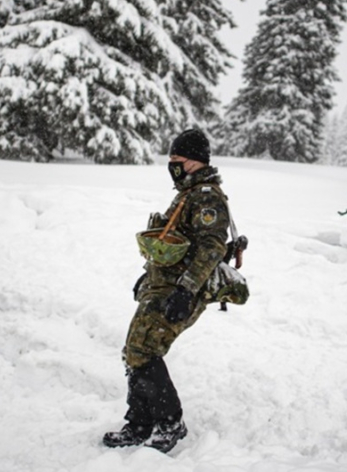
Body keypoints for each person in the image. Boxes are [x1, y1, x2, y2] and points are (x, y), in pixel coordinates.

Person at [103, 129, 239, 454]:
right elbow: (174, 240)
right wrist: (148, 275)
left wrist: (186, 291)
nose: (172, 165)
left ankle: (170, 423)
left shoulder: (206, 197)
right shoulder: (188, 192)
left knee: (144, 350)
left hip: (180, 289)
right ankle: (140, 423)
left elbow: (211, 248)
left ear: (194, 161)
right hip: (162, 285)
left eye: (177, 159)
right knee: (135, 349)